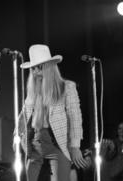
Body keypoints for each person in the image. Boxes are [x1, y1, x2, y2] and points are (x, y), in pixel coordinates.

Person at [18, 44, 88, 181]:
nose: (36, 72)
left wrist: (75, 145)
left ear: (49, 67)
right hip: (36, 144)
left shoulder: (66, 87)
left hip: (57, 143)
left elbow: (75, 116)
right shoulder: (33, 90)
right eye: (33, 68)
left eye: (40, 67)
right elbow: (24, 113)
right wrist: (17, 133)